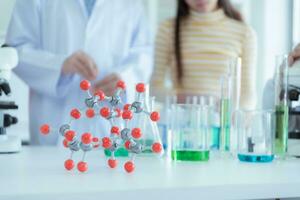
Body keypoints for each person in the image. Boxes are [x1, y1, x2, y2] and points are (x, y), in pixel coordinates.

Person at [5, 0, 153, 145]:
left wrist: (124, 79)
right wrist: (59, 65)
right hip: (52, 134)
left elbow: (144, 55)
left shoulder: (132, 4)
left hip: (108, 130)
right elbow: (14, 51)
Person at [151, 0, 257, 109]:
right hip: (182, 121)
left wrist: (236, 118)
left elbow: (247, 95)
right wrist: (191, 99)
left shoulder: (245, 33)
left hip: (223, 121)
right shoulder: (168, 29)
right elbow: (154, 89)